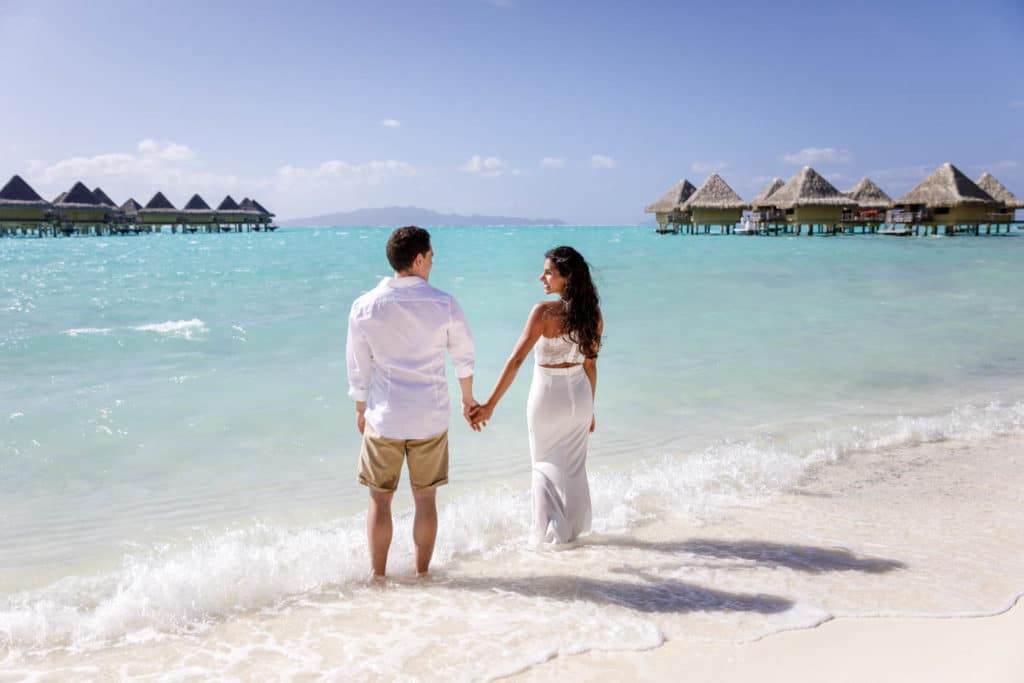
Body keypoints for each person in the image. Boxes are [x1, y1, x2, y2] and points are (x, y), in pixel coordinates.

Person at [346, 226, 477, 578]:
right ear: (419, 259)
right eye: (431, 256)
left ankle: (378, 577)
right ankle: (422, 574)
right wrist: (467, 400)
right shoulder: (444, 303)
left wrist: (361, 408)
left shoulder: (364, 306)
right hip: (429, 418)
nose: (432, 263)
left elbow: (358, 366)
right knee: (425, 499)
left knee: (379, 499)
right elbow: (463, 356)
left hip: (384, 417)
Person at [471, 246, 602, 545]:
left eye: (548, 272)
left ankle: (548, 538)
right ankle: (574, 531)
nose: (541, 277)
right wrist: (590, 409)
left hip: (549, 397)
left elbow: (516, 360)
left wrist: (490, 405)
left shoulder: (543, 312)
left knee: (543, 464)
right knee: (574, 467)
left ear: (565, 278)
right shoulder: (592, 315)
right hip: (581, 396)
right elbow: (591, 365)